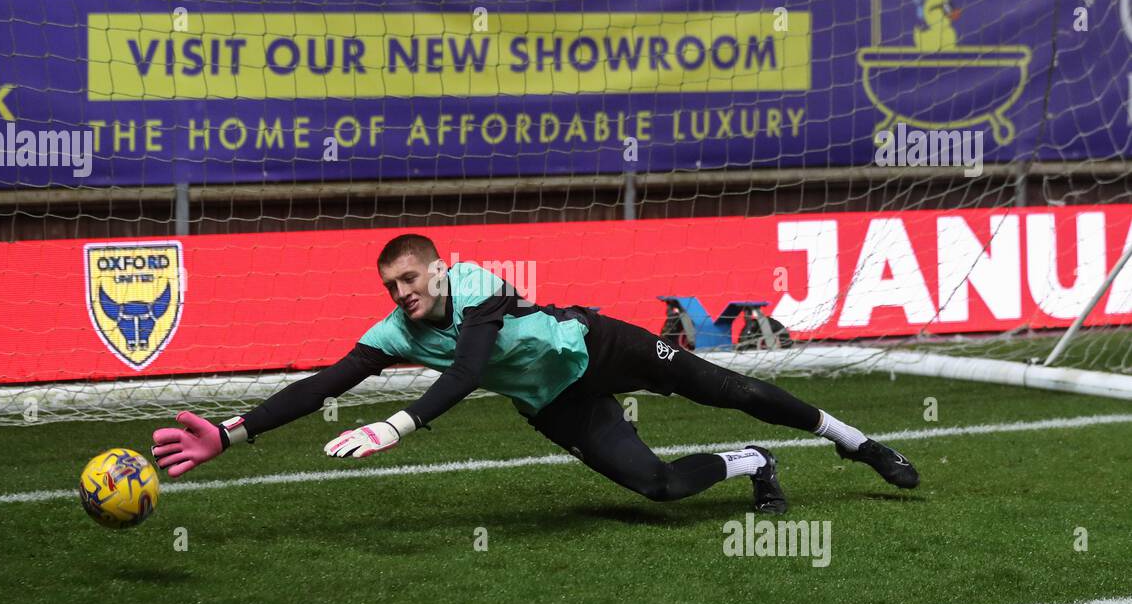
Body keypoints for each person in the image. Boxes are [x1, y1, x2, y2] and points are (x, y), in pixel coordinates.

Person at [152, 234, 919, 513]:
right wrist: (232, 430)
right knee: (654, 488)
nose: (401, 295)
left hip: (600, 344)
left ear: (438, 272)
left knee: (737, 389)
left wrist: (397, 422)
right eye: (392, 287)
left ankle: (856, 441)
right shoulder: (393, 331)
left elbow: (468, 371)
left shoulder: (478, 284)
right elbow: (324, 383)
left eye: (411, 280)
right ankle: (755, 463)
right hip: (556, 403)